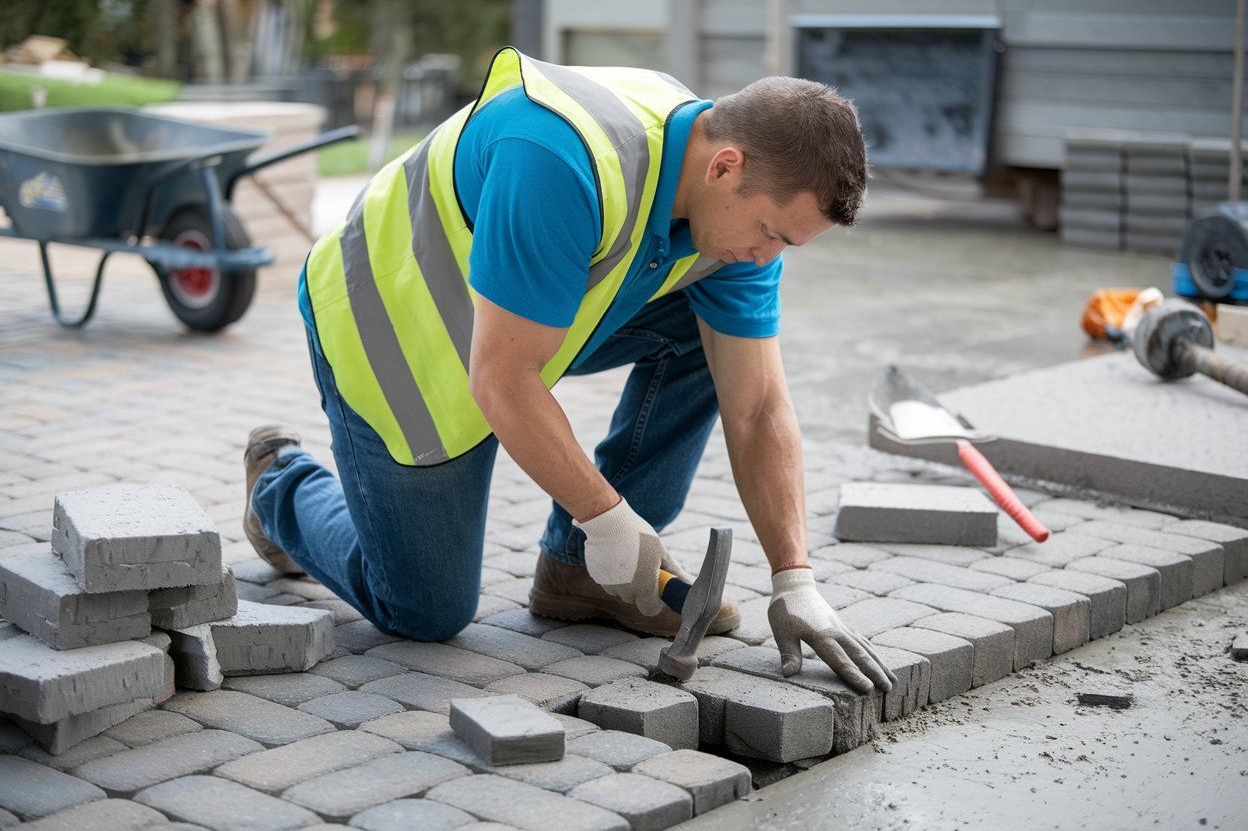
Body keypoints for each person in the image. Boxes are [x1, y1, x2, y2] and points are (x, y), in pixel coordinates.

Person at [245, 47, 894, 694]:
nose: (766, 259)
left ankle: (581, 574)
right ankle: (279, 483)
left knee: (715, 339)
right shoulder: (562, 160)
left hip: (524, 322)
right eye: (772, 233)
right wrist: (607, 518)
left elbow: (756, 406)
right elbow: (502, 380)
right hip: (389, 331)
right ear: (727, 166)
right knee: (423, 610)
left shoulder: (729, 215)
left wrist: (795, 578)